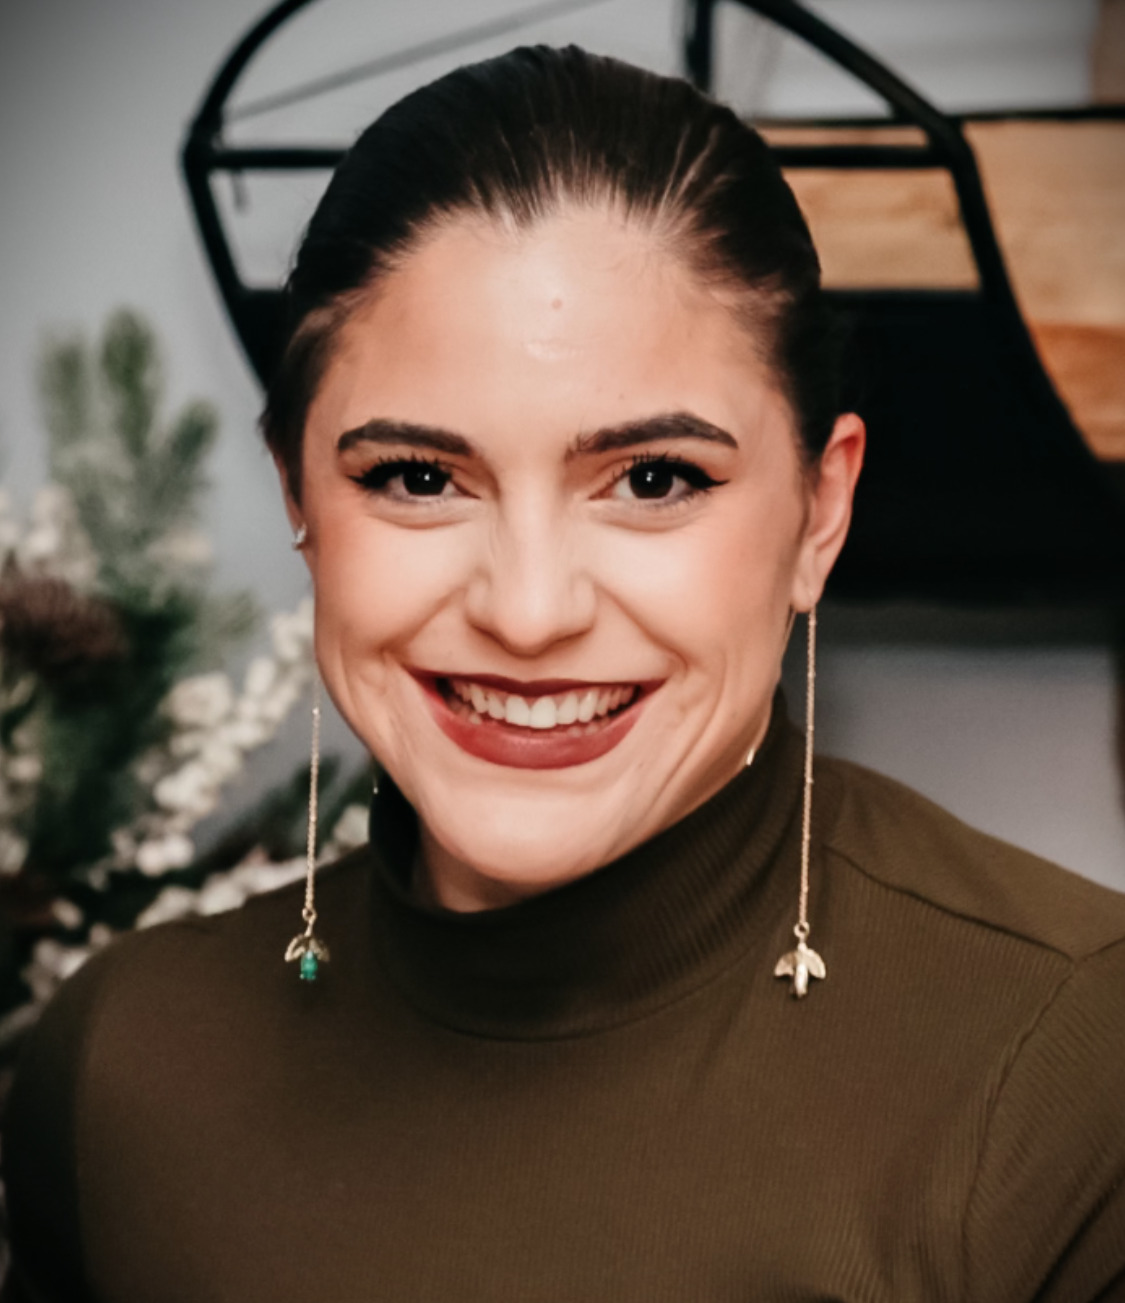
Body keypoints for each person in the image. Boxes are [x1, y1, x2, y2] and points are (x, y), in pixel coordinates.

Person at [4, 45, 1124, 1302]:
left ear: (820, 512)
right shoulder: (118, 1073)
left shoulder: (1082, 1075)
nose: (529, 613)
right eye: (417, 478)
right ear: (299, 499)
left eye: (653, 479)